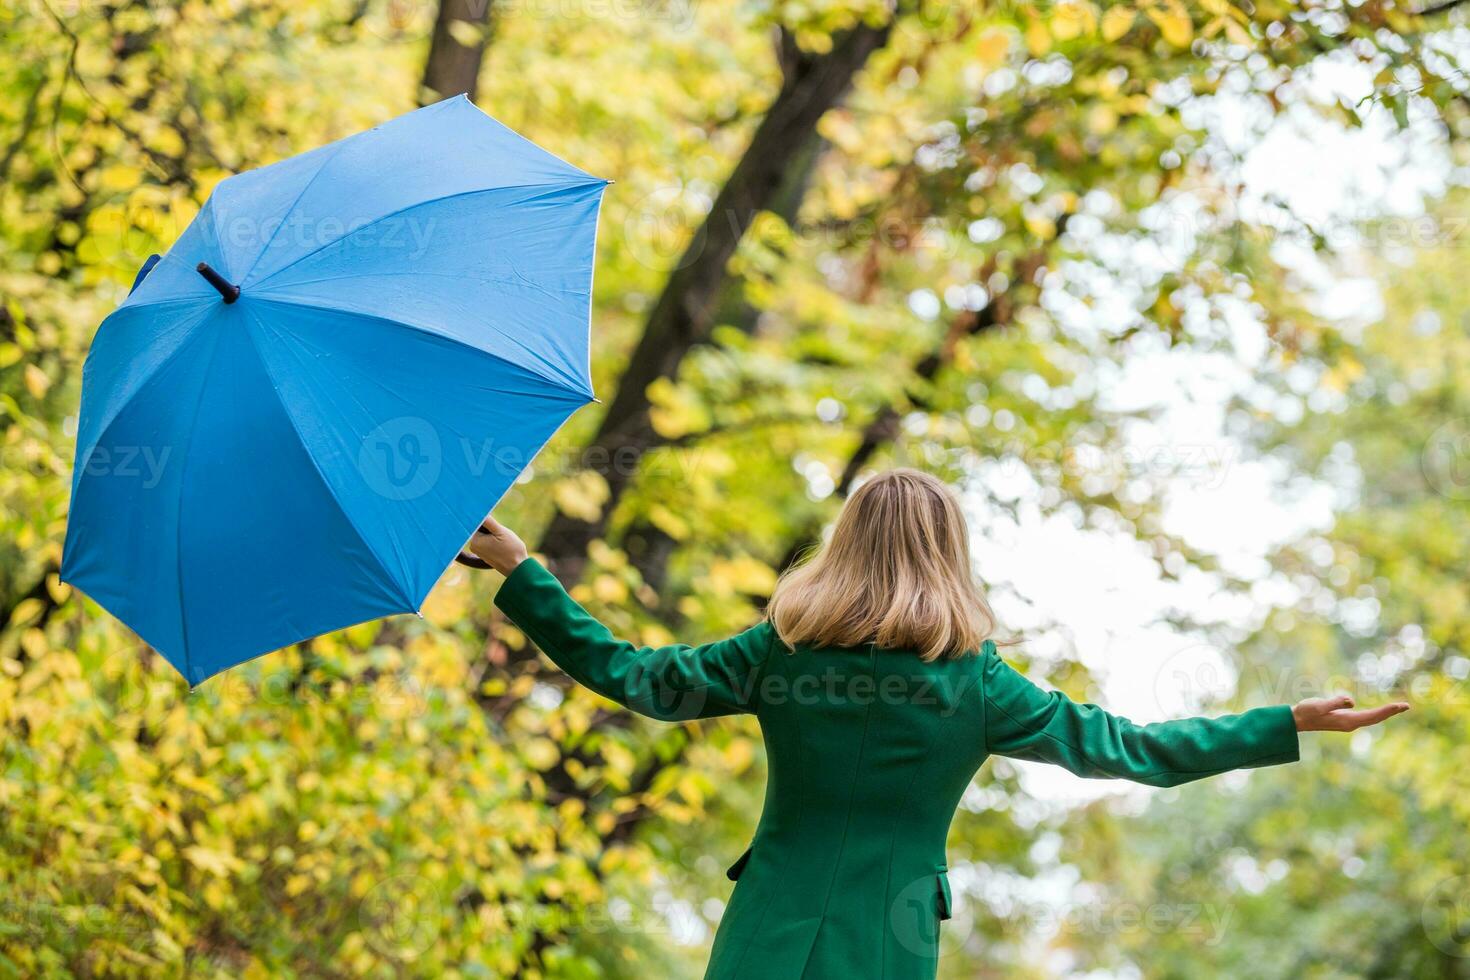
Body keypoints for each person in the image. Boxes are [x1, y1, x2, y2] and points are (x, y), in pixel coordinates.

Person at [469, 467, 1409, 980]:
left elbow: (631, 675)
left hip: (765, 930)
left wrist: (525, 573)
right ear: (950, 556)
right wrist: (1283, 721)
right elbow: (1134, 750)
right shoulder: (979, 687)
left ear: (844, 541)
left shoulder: (776, 653)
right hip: (891, 940)